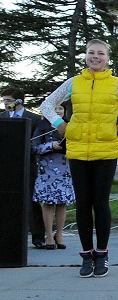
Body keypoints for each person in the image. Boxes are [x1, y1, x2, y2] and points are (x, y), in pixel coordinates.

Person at [40, 40, 118, 277]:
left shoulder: (116, 84)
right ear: (86, 56)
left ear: (108, 59)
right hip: (78, 150)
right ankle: (86, 255)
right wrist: (59, 124)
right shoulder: (73, 83)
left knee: (100, 204)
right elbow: (47, 104)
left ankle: (102, 254)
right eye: (91, 52)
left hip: (106, 151)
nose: (95, 56)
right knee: (82, 204)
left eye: (101, 53)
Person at [3, 87, 46, 248]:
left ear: (19, 101)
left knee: (30, 200)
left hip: (28, 164)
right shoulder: (2, 117)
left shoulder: (34, 119)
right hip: (7, 166)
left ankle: (38, 237)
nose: (6, 104)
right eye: (4, 101)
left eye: (9, 100)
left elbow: (37, 142)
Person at [32, 103, 74, 250]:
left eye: (60, 108)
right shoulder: (42, 126)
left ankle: (60, 234)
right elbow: (33, 147)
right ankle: (49, 235)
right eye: (55, 108)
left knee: (62, 203)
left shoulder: (70, 125)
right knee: (48, 203)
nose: (58, 111)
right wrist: (50, 145)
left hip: (65, 166)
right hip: (47, 169)